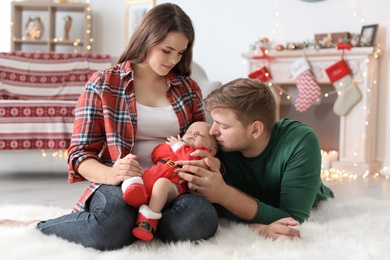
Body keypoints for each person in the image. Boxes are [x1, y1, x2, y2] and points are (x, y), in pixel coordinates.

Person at [0, 3, 218, 251]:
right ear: (146, 39)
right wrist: (112, 174)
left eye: (180, 52)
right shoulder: (103, 83)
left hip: (171, 186)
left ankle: (141, 221)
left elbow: (203, 140)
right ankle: (38, 226)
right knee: (111, 222)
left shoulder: (187, 88)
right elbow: (79, 155)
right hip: (121, 184)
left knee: (200, 219)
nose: (173, 60)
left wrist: (206, 161)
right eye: (167, 50)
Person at [177, 78, 334, 239]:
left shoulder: (299, 141)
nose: (213, 131)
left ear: (255, 130)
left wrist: (223, 194)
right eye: (214, 123)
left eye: (223, 126)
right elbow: (223, 212)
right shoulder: (219, 146)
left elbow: (292, 220)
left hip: (314, 207)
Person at [122, 121, 218, 241]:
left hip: (173, 186)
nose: (193, 134)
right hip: (148, 178)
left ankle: (147, 221)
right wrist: (169, 146)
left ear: (212, 151)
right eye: (189, 132)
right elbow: (155, 154)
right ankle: (138, 197)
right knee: (132, 172)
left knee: (161, 184)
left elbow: (190, 158)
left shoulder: (203, 156)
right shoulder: (173, 148)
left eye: (200, 135)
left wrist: (180, 147)